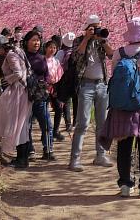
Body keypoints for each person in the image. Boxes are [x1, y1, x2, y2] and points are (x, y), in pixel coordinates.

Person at [99, 17, 140, 198]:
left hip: (122, 105)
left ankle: (125, 185)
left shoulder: (118, 53)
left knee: (124, 145)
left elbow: (115, 77)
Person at [68, 14, 114, 171]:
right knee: (83, 123)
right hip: (86, 85)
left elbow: (112, 55)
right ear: (87, 28)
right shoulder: (79, 41)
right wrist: (87, 39)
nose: (96, 29)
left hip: (102, 85)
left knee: (102, 123)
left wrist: (103, 41)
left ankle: (101, 155)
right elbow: (76, 56)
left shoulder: (102, 41)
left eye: (98, 26)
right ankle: (75, 159)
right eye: (93, 26)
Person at [0, 34, 32, 169]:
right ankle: (22, 158)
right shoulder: (18, 50)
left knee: (17, 125)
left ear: (0, 46)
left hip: (18, 92)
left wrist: (6, 80)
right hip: (24, 91)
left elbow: (18, 73)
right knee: (22, 126)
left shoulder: (10, 55)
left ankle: (21, 159)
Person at [23, 30, 55, 160]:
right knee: (27, 124)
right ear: (26, 42)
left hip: (41, 94)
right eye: (33, 40)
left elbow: (46, 73)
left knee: (46, 123)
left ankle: (48, 149)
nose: (36, 43)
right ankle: (30, 150)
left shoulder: (42, 57)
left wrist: (48, 84)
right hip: (26, 94)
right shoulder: (23, 57)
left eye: (38, 40)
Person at [44, 38, 65, 141]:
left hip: (54, 87)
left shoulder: (56, 61)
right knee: (43, 110)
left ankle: (55, 131)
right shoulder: (42, 60)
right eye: (50, 47)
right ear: (46, 48)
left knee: (59, 108)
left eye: (54, 48)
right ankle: (46, 133)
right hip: (43, 87)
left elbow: (60, 75)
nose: (52, 50)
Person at [55, 32, 77, 132]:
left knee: (66, 102)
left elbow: (56, 65)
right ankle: (75, 123)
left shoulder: (61, 52)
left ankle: (68, 123)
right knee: (76, 101)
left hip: (64, 79)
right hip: (76, 79)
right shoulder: (77, 51)